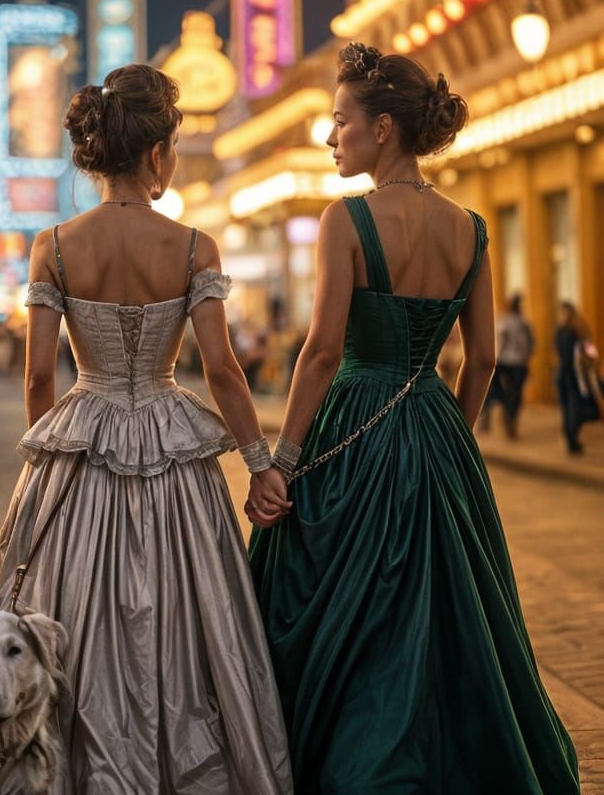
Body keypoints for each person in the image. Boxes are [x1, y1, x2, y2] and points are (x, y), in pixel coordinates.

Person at [250, 43, 577, 792]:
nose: (332, 138)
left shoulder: (347, 219)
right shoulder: (470, 227)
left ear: (384, 129)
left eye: (340, 123)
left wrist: (283, 459)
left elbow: (323, 352)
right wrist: (450, 433)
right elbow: (484, 356)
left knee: (344, 607)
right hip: (435, 421)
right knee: (452, 617)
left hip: (355, 420)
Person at [0, 64, 293, 794]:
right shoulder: (194, 247)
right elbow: (222, 370)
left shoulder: (55, 247)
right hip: (171, 439)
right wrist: (261, 464)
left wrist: (53, 462)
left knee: (75, 619)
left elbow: (38, 378)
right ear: (158, 153)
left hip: (83, 433)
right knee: (191, 622)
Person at [481, 293, 534, 438]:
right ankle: (509, 417)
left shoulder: (503, 321)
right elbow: (531, 344)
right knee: (515, 393)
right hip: (517, 363)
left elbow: (500, 341)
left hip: (504, 361)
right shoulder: (524, 323)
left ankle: (501, 416)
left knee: (498, 391)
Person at [556, 301, 600, 455]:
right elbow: (590, 350)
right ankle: (572, 440)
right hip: (574, 376)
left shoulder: (560, 331)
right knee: (575, 407)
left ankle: (570, 438)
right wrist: (595, 362)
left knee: (566, 408)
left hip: (562, 373)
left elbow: (558, 352)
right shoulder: (577, 330)